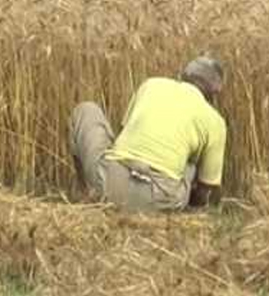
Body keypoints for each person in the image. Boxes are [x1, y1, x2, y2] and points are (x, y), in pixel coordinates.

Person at [68, 56, 228, 212]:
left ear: (182, 75)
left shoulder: (151, 85)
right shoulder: (215, 121)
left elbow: (124, 130)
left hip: (109, 185)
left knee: (87, 109)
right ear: (214, 94)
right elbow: (206, 188)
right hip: (161, 199)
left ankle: (86, 194)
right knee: (192, 163)